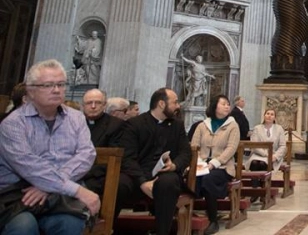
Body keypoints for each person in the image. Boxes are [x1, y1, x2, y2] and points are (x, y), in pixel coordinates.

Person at [0, 59, 100, 235]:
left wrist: (49, 186)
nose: (56, 90)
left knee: (69, 224)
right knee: (24, 227)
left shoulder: (76, 117)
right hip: (18, 196)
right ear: (31, 90)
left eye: (61, 84)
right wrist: (76, 189)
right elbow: (30, 167)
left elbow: (86, 154)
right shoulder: (13, 124)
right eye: (48, 85)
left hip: (60, 199)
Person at [118, 88, 191, 235]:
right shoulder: (134, 124)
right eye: (175, 102)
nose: (178, 106)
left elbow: (185, 152)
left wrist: (174, 165)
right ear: (162, 104)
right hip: (137, 173)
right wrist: (142, 181)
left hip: (165, 173)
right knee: (118, 183)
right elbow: (128, 157)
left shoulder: (177, 125)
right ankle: (108, 228)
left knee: (167, 183)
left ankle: (162, 231)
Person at [191, 94, 240, 235]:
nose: (227, 106)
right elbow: (194, 146)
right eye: (223, 103)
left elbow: (231, 149)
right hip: (201, 164)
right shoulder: (202, 125)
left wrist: (214, 163)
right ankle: (186, 213)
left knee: (209, 178)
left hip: (223, 167)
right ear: (215, 106)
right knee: (187, 177)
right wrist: (199, 162)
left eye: (228, 104)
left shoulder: (232, 125)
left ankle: (213, 220)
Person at [81, 88, 126, 198]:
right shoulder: (74, 122)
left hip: (98, 174)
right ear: (82, 105)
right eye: (89, 103)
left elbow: (113, 157)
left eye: (97, 102)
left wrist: (84, 173)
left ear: (104, 105)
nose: (93, 106)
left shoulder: (116, 125)